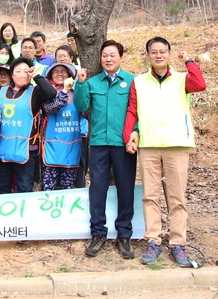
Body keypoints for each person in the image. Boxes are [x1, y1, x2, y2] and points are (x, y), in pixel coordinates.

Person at [123, 37, 206, 267]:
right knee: (150, 196)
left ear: (169, 54)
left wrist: (189, 60)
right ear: (148, 56)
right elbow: (132, 110)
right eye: (154, 52)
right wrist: (130, 135)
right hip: (149, 145)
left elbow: (200, 84)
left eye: (163, 51)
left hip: (176, 144)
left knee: (176, 197)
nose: (158, 55)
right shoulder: (139, 82)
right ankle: (153, 241)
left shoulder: (182, 79)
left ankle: (178, 244)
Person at [73, 40, 137, 260]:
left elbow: (137, 111)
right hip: (99, 143)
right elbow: (81, 107)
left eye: (112, 55)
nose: (108, 59)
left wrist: (135, 133)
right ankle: (98, 233)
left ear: (120, 57)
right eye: (104, 56)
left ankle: (124, 235)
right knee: (97, 189)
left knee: (125, 189)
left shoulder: (132, 82)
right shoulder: (91, 83)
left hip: (123, 144)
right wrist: (80, 84)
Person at [0, 57, 56, 194]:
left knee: (24, 187)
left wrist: (36, 76)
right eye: (18, 71)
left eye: (25, 71)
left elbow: (51, 93)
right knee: (2, 185)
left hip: (27, 148)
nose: (22, 74)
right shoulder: (2, 91)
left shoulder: (35, 92)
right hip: (4, 148)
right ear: (12, 75)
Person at [40, 63, 83, 191]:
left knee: (68, 187)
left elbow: (85, 110)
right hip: (52, 146)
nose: (59, 74)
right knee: (48, 187)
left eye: (63, 71)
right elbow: (51, 108)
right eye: (56, 72)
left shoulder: (77, 93)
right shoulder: (47, 94)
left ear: (69, 75)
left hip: (72, 144)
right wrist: (64, 90)